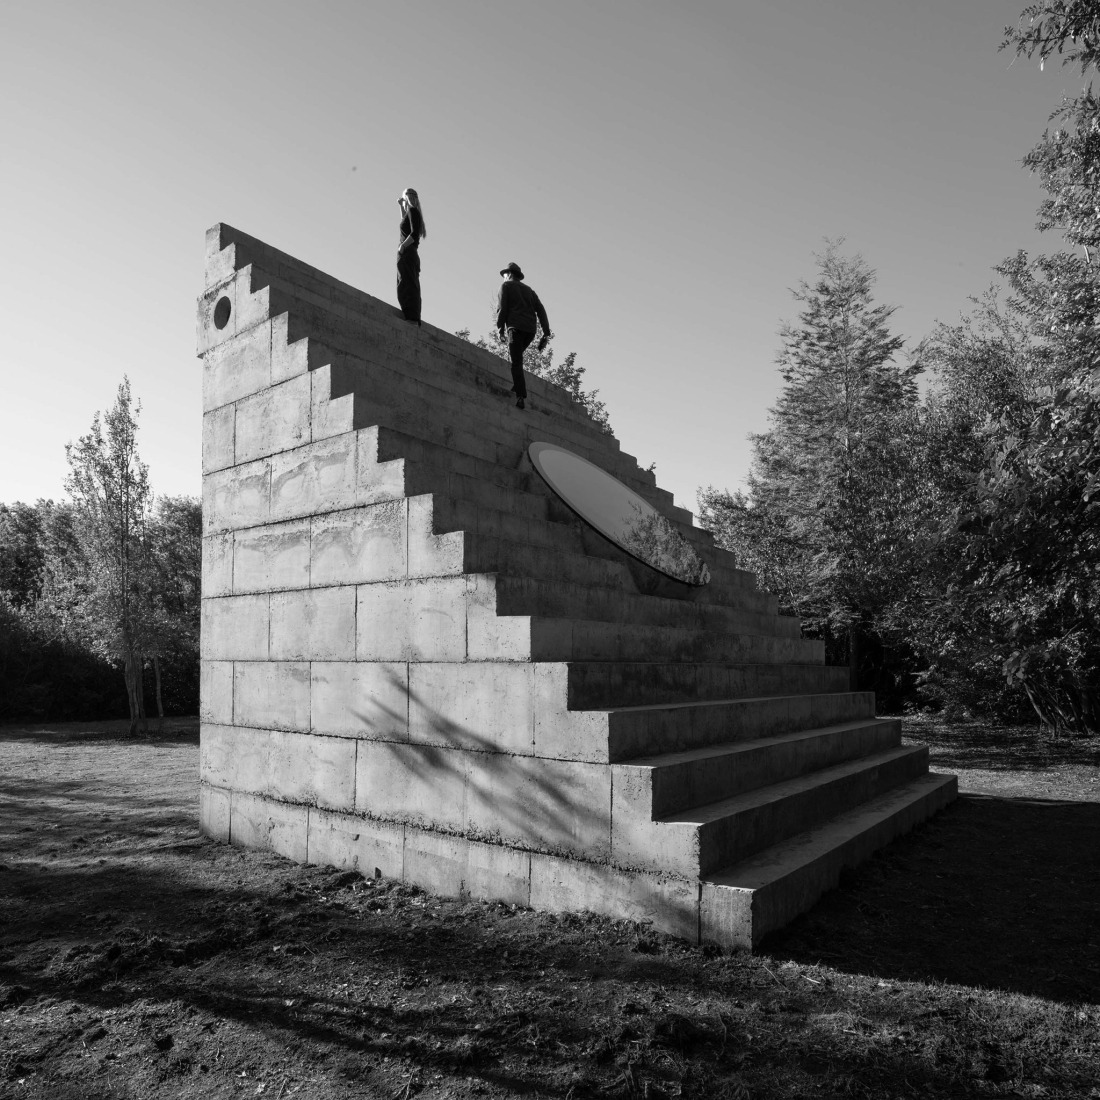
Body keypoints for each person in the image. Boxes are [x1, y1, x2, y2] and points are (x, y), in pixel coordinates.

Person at [496, 262, 551, 410]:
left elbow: (502, 308)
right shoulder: (530, 291)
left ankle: (520, 396)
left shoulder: (506, 286)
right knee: (517, 357)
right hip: (530, 331)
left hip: (515, 329)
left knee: (516, 362)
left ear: (509, 274)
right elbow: (541, 310)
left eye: (504, 275)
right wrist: (546, 333)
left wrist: (500, 329)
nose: (503, 278)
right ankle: (517, 384)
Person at [397, 188, 426, 324]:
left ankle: (412, 316)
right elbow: (404, 222)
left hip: (408, 251)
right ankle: (411, 315)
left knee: (407, 284)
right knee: (408, 282)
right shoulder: (412, 212)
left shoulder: (413, 211)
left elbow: (413, 234)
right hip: (410, 252)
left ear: (406, 198)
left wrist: (403, 246)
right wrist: (401, 206)